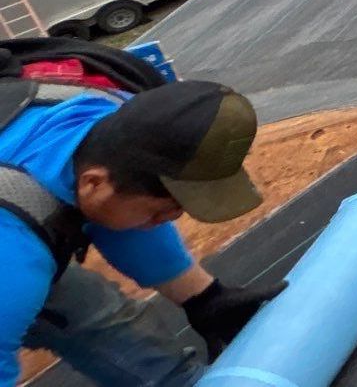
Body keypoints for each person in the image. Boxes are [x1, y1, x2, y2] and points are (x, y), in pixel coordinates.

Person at [1, 76, 282, 386]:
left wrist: (204, 299)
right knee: (67, 307)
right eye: (158, 212)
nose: (164, 220)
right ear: (93, 183)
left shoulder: (107, 117)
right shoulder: (12, 257)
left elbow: (115, 210)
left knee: (96, 314)